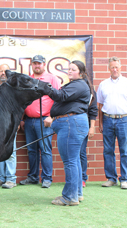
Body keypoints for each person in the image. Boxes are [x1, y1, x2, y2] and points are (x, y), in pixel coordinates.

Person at [44, 60, 93, 206]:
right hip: (72, 123)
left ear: (81, 72)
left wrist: (45, 88)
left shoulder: (78, 84)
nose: (70, 71)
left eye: (73, 69)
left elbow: (60, 96)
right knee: (74, 160)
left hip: (70, 124)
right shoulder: (78, 84)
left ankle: (69, 197)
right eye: (69, 69)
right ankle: (76, 193)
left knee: (70, 161)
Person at [19, 55, 61, 188]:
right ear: (32, 65)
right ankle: (32, 177)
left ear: (44, 64)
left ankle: (47, 178)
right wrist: (21, 119)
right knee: (31, 150)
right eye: (35, 63)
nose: (37, 66)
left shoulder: (51, 78)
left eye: (39, 63)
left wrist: (52, 116)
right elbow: (22, 100)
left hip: (44, 120)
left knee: (45, 150)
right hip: (29, 121)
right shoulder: (28, 79)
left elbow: (59, 98)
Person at [97, 56, 127, 189]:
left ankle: (124, 179)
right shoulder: (103, 84)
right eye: (112, 67)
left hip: (124, 120)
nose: (115, 69)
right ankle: (111, 178)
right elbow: (100, 105)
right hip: (108, 119)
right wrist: (100, 123)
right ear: (109, 69)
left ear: (120, 67)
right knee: (108, 150)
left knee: (124, 150)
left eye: (116, 67)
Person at [0, 64, 17, 189]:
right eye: (1, 71)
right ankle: (2, 178)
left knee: (10, 151)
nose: (3, 73)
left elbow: (18, 108)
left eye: (5, 71)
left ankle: (11, 179)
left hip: (10, 124)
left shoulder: (14, 88)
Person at [81, 89, 98, 188]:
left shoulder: (90, 91)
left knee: (81, 152)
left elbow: (93, 110)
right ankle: (74, 178)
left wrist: (92, 127)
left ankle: (83, 178)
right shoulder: (70, 88)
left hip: (84, 125)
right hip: (70, 124)